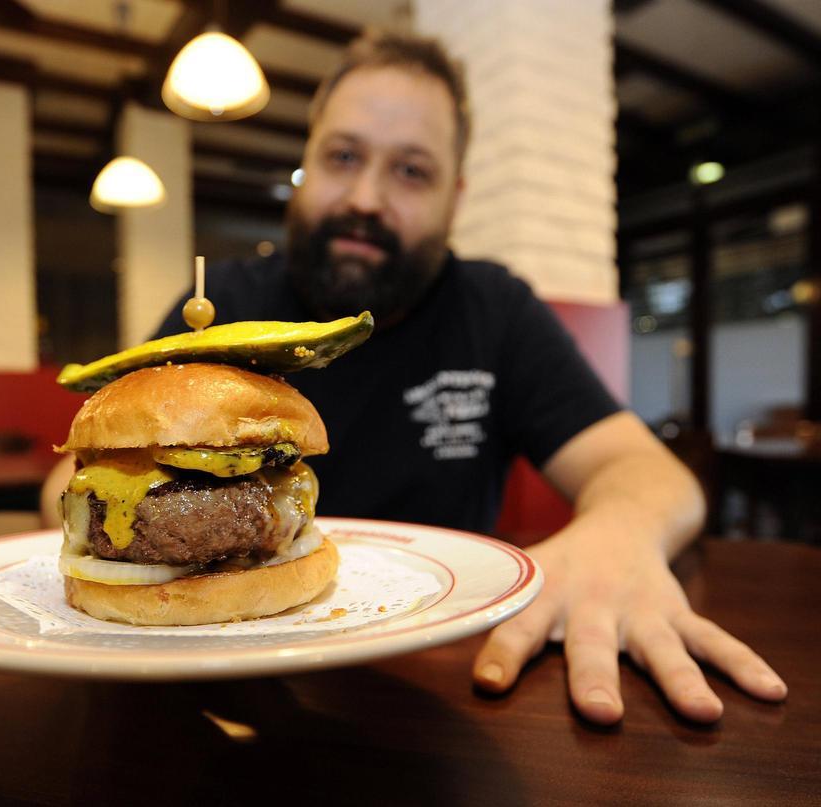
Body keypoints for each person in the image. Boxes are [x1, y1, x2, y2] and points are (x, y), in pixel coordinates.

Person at [42, 30, 786, 726]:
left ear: (455, 197)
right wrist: (102, 527)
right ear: (304, 165)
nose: (366, 196)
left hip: (444, 684)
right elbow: (71, 484)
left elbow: (646, 470)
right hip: (205, 696)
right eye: (342, 157)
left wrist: (619, 536)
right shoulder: (221, 308)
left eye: (410, 170)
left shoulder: (495, 310)